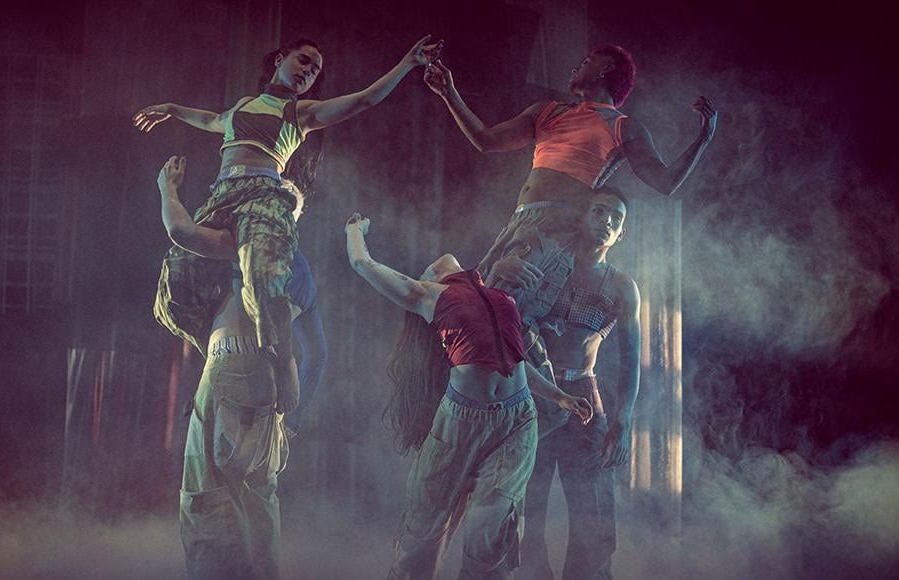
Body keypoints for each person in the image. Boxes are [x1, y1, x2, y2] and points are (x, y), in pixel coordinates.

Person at [137, 36, 442, 422]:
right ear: (280, 59)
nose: (309, 72)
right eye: (304, 61)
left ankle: (283, 365)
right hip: (221, 197)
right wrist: (171, 109)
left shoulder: (301, 112)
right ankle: (210, 364)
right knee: (174, 283)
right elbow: (210, 120)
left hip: (263, 196)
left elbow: (364, 100)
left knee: (264, 278)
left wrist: (408, 62)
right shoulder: (242, 107)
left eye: (315, 70)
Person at [343, 212, 594, 580]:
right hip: (462, 419)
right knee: (425, 524)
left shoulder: (498, 294)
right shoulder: (429, 295)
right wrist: (355, 230)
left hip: (517, 418)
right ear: (428, 280)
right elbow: (362, 263)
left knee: (492, 526)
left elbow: (516, 360)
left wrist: (559, 397)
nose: (439, 261)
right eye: (430, 269)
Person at [422, 44, 716, 308]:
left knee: (495, 307)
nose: (576, 67)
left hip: (557, 228)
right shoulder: (547, 111)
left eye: (587, 61)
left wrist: (704, 138)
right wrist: (449, 93)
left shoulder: (623, 126)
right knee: (478, 304)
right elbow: (486, 140)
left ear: (606, 69)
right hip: (521, 220)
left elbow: (665, 182)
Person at [158, 155, 296, 579]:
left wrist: (168, 189)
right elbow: (302, 334)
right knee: (252, 497)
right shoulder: (275, 255)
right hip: (245, 375)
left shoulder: (242, 245)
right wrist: (287, 379)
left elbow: (181, 232)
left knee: (210, 497)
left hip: (233, 366)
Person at [517, 190, 641, 580]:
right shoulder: (547, 263)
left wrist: (623, 422)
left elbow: (631, 360)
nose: (607, 221)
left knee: (595, 518)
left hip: (584, 402)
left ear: (621, 233)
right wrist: (507, 265)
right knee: (524, 510)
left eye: (616, 218)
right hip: (534, 398)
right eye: (599, 211)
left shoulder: (622, 286)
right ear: (583, 216)